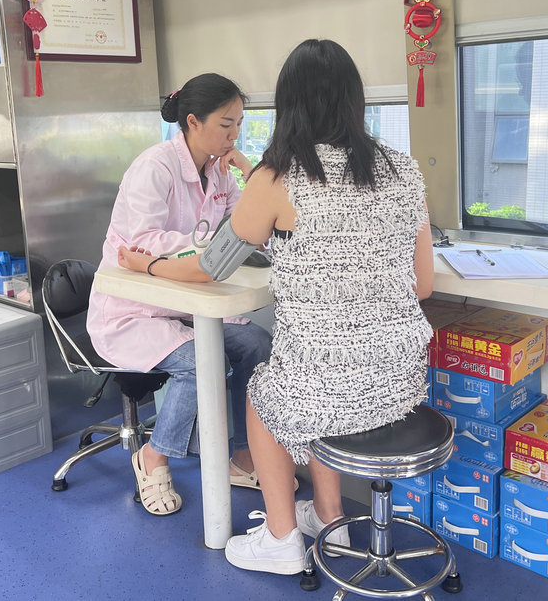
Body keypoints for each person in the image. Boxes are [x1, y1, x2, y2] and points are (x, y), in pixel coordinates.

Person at [117, 39, 434, 573]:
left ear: (289, 106)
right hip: (400, 382)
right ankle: (330, 517)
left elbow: (210, 266)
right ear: (355, 100)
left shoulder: (278, 176)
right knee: (306, 384)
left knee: (268, 390)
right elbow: (421, 285)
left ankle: (282, 539)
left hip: (323, 382)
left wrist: (147, 266)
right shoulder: (403, 170)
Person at [87, 72, 273, 517]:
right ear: (193, 121)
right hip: (135, 310)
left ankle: (241, 456)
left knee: (256, 344)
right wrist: (211, 245)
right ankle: (153, 457)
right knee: (201, 363)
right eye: (226, 124)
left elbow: (247, 225)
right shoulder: (155, 167)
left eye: (239, 124)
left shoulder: (219, 172)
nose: (234, 134)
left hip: (186, 302)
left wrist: (248, 174)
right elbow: (143, 242)